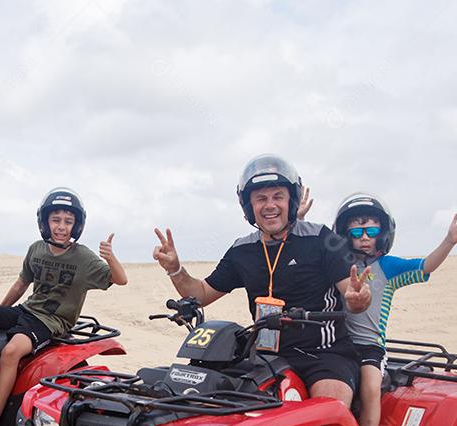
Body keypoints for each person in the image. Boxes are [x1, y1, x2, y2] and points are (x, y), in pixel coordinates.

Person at [152, 154, 371, 408]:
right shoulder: (242, 250)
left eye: (278, 196)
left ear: (292, 200)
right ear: (249, 206)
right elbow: (201, 293)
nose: (270, 205)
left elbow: (352, 296)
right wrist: (175, 269)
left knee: (328, 408)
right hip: (266, 355)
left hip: (325, 353)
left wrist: (358, 299)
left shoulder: (320, 238)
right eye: (261, 199)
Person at [0, 188, 127, 426]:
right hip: (26, 311)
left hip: (51, 322)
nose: (61, 227)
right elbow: (21, 284)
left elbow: (120, 279)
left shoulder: (83, 258)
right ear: (45, 221)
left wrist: (110, 257)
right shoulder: (36, 249)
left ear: (76, 225)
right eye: (56, 220)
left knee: (11, 352)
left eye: (68, 221)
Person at [334, 193, 457, 426]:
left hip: (370, 346)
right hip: (338, 342)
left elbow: (425, 266)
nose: (365, 237)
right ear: (346, 234)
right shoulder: (337, 264)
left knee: (370, 388)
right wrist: (299, 219)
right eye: (357, 231)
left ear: (382, 232)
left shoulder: (388, 266)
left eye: (371, 230)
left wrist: (449, 241)